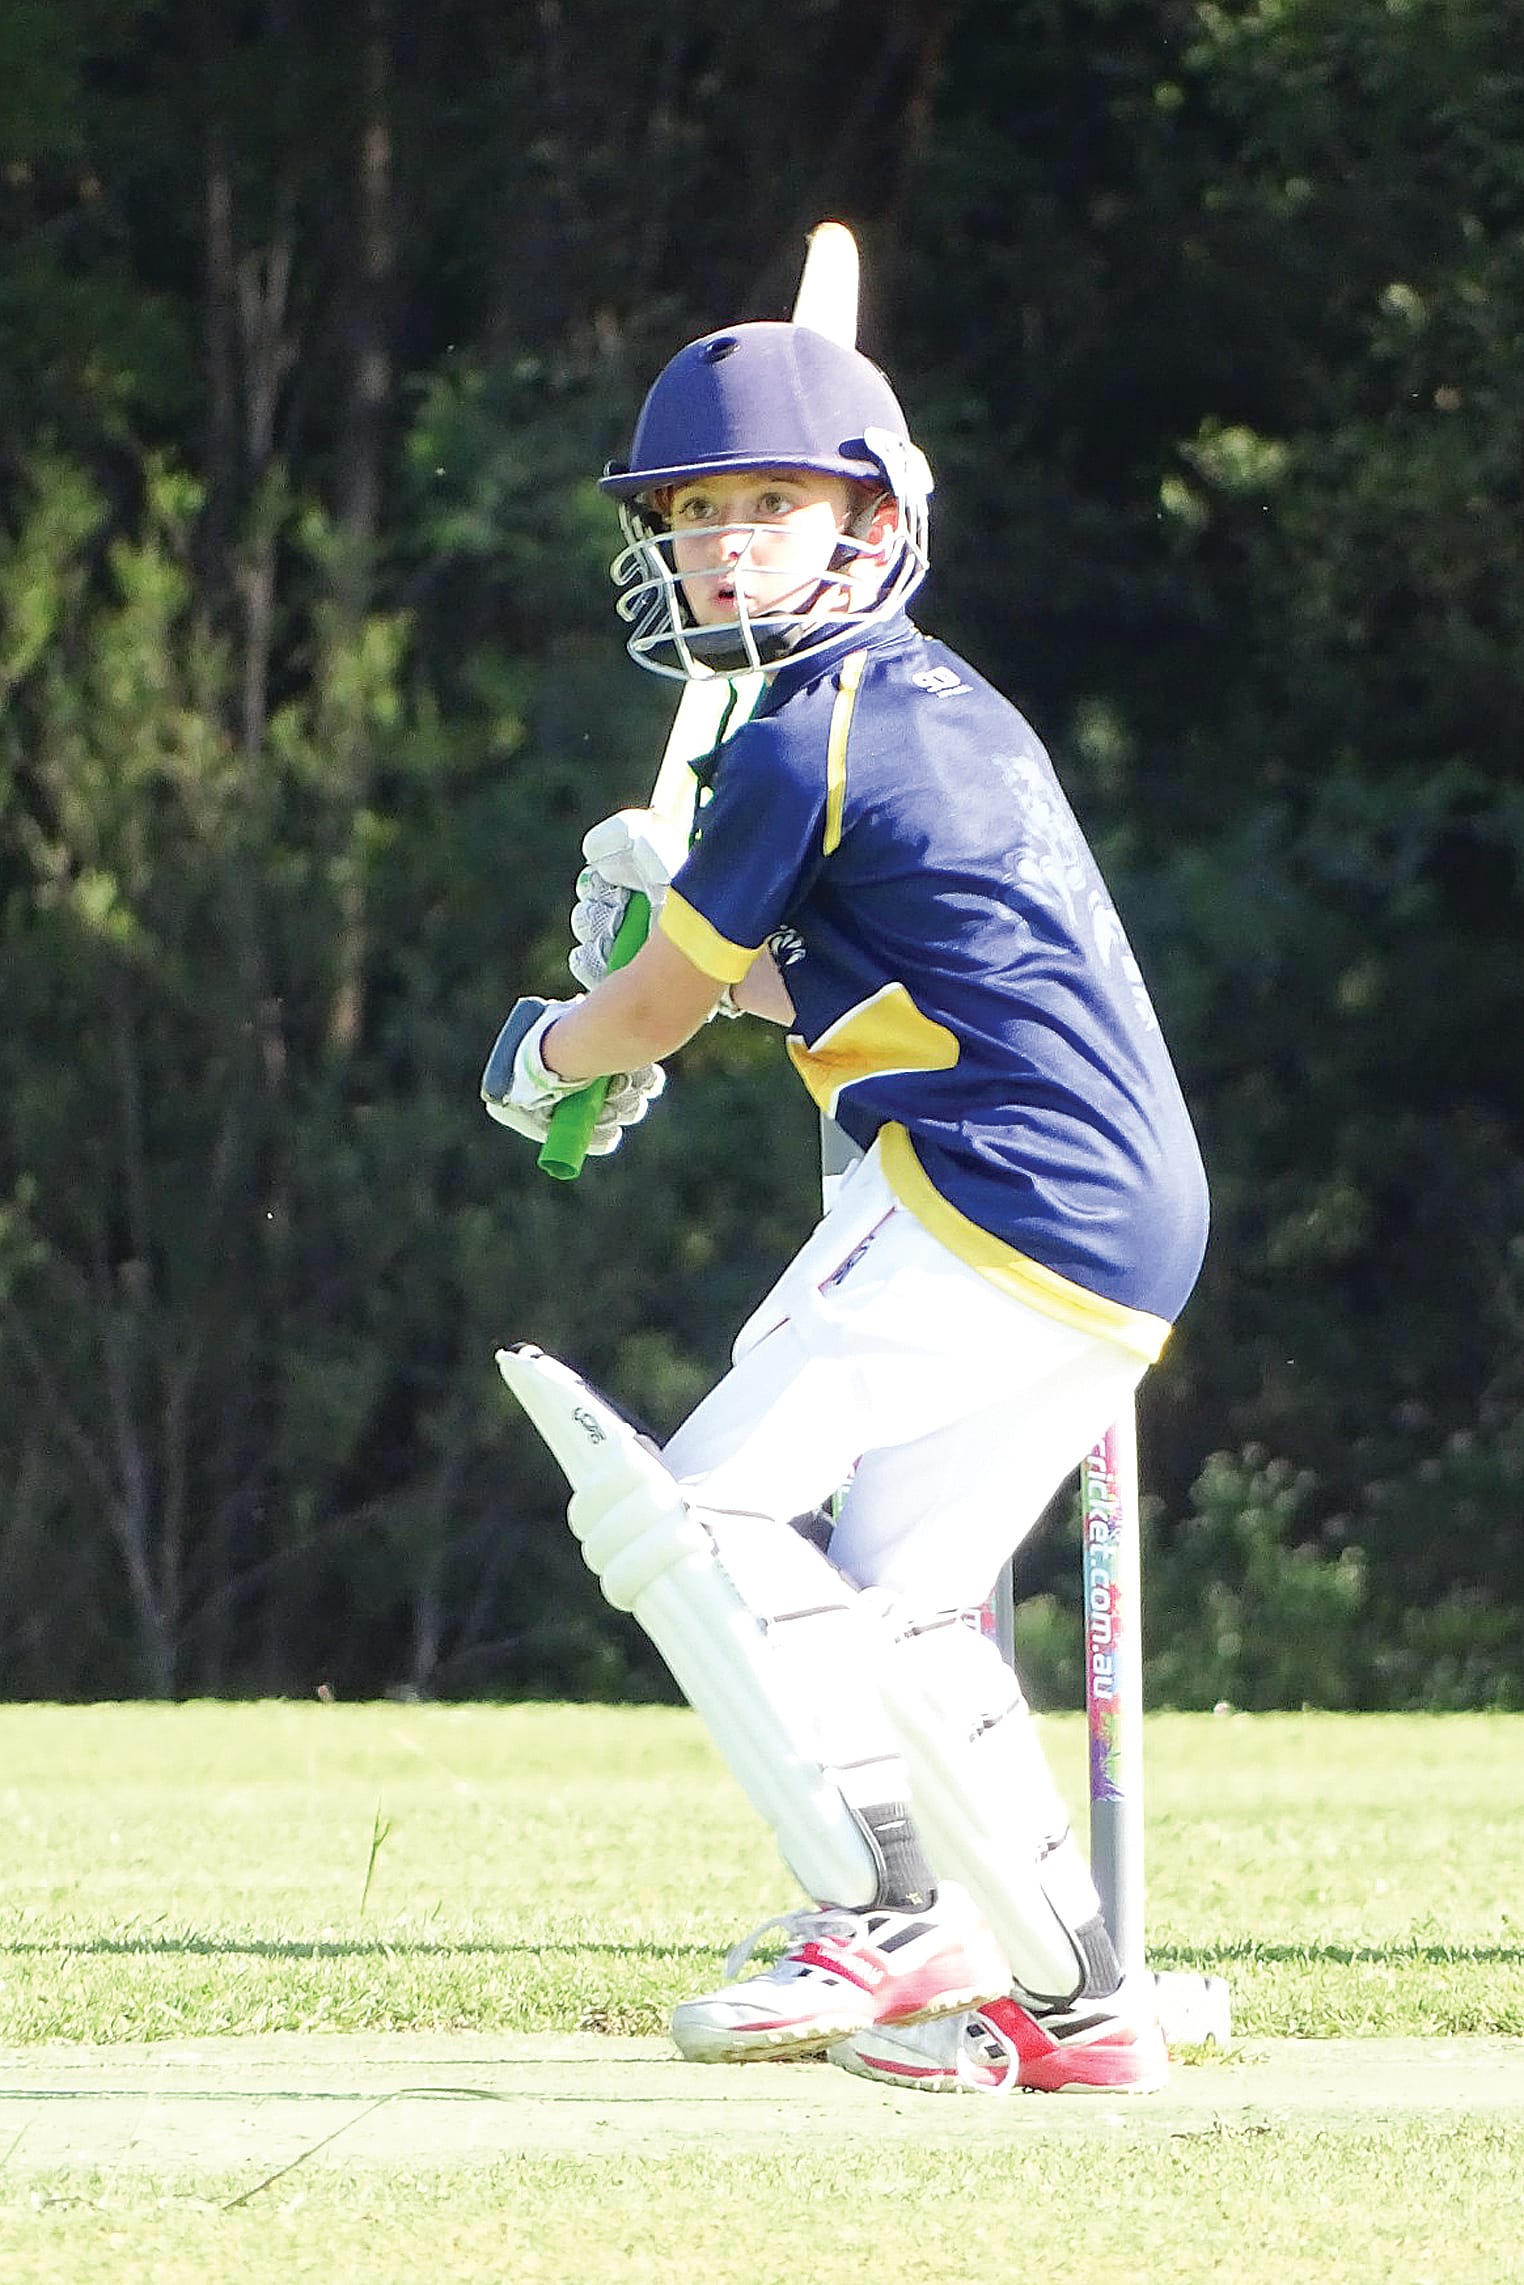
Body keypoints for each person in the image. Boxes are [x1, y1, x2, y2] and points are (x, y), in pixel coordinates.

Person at [483, 317, 1209, 2095]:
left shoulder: (808, 733)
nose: (724, 542)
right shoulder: (927, 702)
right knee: (896, 1596)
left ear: (868, 518)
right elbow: (831, 983)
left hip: (991, 1181)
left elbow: (651, 1010)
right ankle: (1083, 1998)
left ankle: (880, 1907)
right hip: (1127, 1218)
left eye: (768, 504)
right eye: (696, 512)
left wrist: (556, 1046)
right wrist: (683, 967)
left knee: (696, 1509)